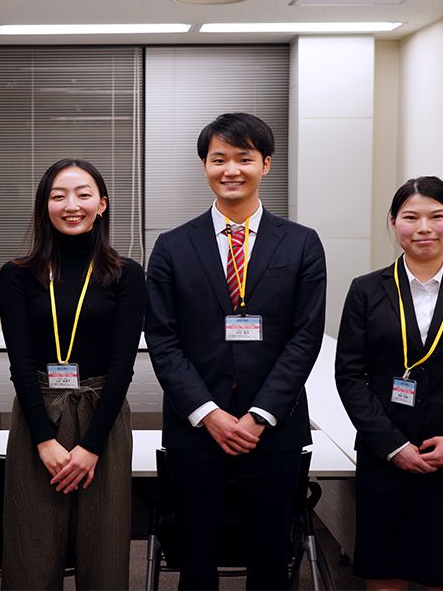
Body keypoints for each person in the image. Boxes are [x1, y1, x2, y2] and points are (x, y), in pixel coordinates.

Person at [145, 112, 327, 590]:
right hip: (196, 431)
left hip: (273, 432)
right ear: (204, 165)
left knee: (270, 562)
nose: (231, 170)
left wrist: (259, 414)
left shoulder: (302, 244)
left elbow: (305, 337)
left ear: (265, 164)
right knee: (195, 561)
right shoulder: (171, 246)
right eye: (218, 158)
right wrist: (209, 413)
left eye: (244, 159)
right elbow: (162, 340)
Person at [335, 176, 443, 590]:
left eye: (437, 216)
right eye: (410, 217)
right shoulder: (365, 290)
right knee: (385, 573)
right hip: (385, 452)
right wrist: (392, 445)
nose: (424, 228)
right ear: (393, 222)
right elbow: (349, 375)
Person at [0, 159, 145, 589]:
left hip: (103, 415)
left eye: (83, 194)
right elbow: (20, 362)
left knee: (104, 553)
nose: (71, 205)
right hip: (37, 415)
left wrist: (90, 447)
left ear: (102, 204)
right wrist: (45, 439)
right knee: (32, 552)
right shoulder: (18, 275)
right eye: (58, 195)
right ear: (45, 206)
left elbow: (122, 366)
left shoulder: (126, 274)